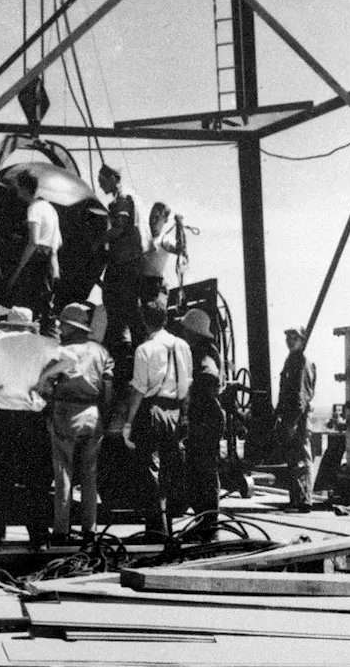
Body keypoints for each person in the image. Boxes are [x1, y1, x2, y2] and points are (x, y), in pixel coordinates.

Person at [0, 306, 62, 551]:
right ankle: (38, 536)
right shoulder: (43, 343)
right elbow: (70, 359)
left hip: (3, 415)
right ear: (31, 325)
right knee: (36, 481)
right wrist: (42, 379)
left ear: (9, 323)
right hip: (32, 416)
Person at [112, 298, 191, 542]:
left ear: (144, 321)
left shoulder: (144, 349)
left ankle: (156, 529)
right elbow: (187, 385)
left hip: (152, 411)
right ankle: (165, 527)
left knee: (149, 470)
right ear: (165, 319)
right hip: (175, 411)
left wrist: (128, 422)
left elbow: (138, 390)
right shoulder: (183, 345)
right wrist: (185, 416)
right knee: (168, 468)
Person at [34, 302, 113, 545]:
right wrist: (105, 416)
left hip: (65, 412)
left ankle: (61, 531)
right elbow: (108, 388)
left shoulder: (62, 352)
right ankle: (90, 531)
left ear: (70, 327)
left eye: (62, 325)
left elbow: (46, 386)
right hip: (93, 413)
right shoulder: (101, 352)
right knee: (90, 475)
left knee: (63, 473)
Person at [178, 308, 223, 540]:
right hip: (204, 415)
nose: (184, 333)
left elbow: (209, 377)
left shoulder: (203, 353)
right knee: (199, 469)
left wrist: (191, 391)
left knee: (204, 470)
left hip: (206, 417)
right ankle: (204, 521)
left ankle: (209, 524)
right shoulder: (202, 350)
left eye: (186, 329)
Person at [98, 164, 149, 362]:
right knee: (128, 310)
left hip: (125, 263)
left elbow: (118, 229)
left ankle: (128, 353)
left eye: (103, 182)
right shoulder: (131, 197)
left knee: (119, 308)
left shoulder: (123, 198)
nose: (101, 187)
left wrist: (98, 241)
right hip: (130, 263)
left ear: (113, 178)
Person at [6, 170, 62, 339]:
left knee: (29, 309)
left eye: (18, 188)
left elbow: (34, 241)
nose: (17, 192)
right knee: (45, 309)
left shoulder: (34, 209)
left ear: (23, 188)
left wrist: (19, 270)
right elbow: (58, 242)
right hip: (50, 260)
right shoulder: (50, 209)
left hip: (37, 261)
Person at [276, 326, 317, 512]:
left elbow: (301, 395)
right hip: (290, 417)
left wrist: (292, 422)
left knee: (301, 457)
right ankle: (297, 500)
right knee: (294, 459)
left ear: (302, 340)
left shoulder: (302, 363)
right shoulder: (291, 361)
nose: (290, 340)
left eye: (294, 337)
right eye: (288, 337)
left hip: (298, 418)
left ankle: (305, 500)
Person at [141, 202, 189, 305]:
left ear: (165, 220)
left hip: (154, 287)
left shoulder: (165, 239)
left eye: (158, 216)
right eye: (152, 214)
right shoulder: (141, 237)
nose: (154, 218)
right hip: (138, 285)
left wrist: (179, 227)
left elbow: (180, 250)